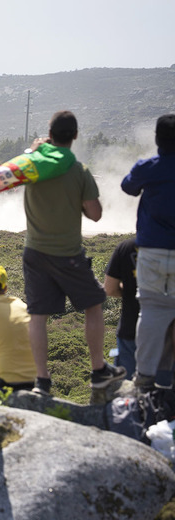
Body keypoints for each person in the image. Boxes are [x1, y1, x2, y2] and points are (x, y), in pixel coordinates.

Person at [22, 110, 124, 395]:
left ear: (50, 135)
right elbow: (95, 215)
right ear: (75, 136)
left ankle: (41, 382)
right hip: (67, 254)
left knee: (38, 315)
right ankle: (97, 370)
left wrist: (34, 149)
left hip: (34, 252)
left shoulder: (32, 165)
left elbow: (19, 167)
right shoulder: (78, 171)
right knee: (93, 305)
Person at [121, 113, 175, 390]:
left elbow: (128, 187)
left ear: (156, 139)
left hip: (152, 251)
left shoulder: (149, 166)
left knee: (151, 311)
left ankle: (144, 375)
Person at [104, 238, 139, 380]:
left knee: (129, 391)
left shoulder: (127, 247)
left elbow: (110, 288)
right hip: (168, 331)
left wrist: (132, 291)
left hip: (131, 329)